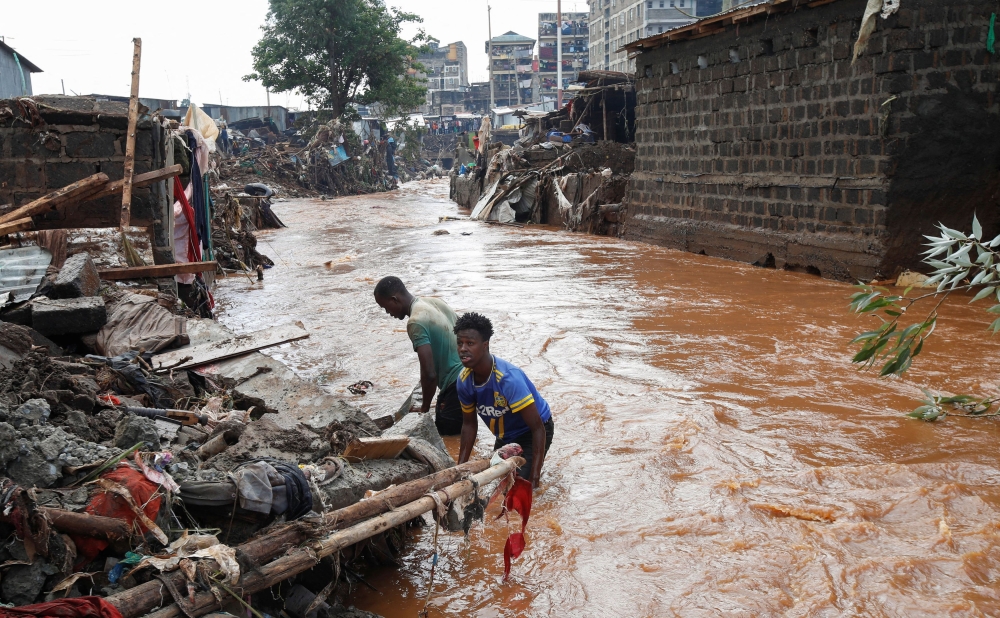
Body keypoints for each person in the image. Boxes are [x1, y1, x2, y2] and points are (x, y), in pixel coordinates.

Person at [454, 312, 554, 488]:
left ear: (485, 345)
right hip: (506, 435)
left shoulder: (508, 379)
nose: (463, 349)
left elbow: (538, 428)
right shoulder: (464, 380)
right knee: (496, 482)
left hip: (533, 431)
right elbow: (469, 425)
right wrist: (459, 471)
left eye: (470, 343)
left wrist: (535, 477)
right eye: (459, 343)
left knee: (521, 486)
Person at [373, 277, 464, 435]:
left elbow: (429, 373)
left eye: (385, 307)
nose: (388, 313)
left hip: (454, 385)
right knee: (465, 429)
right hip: (471, 376)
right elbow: (466, 333)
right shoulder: (435, 303)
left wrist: (424, 409)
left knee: (447, 437)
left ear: (394, 299)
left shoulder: (415, 322)